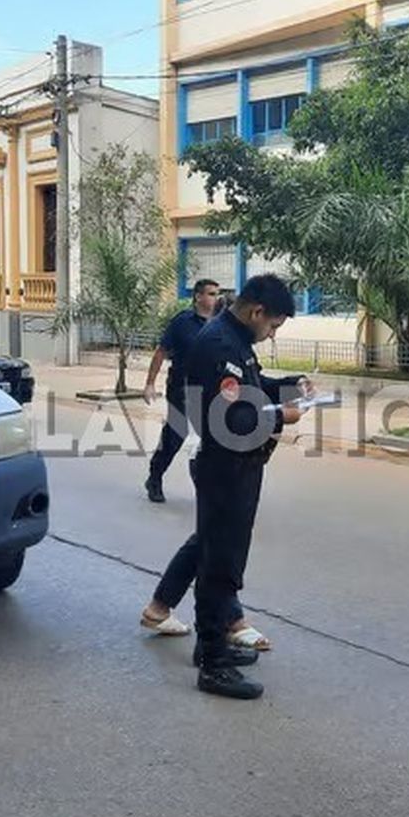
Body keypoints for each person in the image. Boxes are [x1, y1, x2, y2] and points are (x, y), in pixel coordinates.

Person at [166, 273, 309, 700]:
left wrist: (292, 385)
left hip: (240, 466)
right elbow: (230, 418)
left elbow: (252, 387)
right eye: (274, 327)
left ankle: (209, 646)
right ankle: (214, 664)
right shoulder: (220, 345)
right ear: (257, 312)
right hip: (224, 467)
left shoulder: (236, 341)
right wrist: (282, 417)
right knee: (219, 567)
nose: (272, 335)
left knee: (222, 558)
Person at [143, 279, 220, 504]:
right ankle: (155, 477)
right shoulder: (182, 322)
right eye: (211, 294)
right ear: (198, 297)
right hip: (181, 387)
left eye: (218, 294)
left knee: (212, 438)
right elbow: (161, 352)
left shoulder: (220, 324)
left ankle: (204, 487)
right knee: (175, 435)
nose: (216, 298)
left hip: (210, 390)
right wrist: (150, 384)